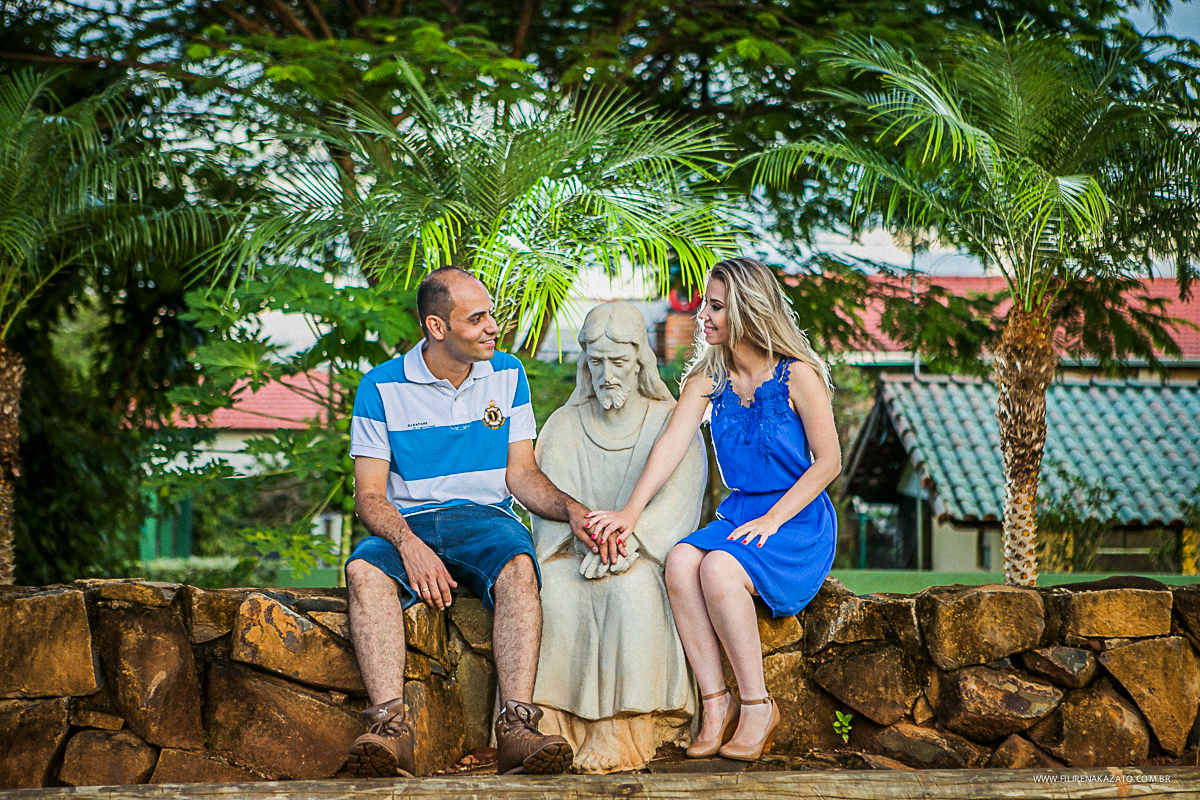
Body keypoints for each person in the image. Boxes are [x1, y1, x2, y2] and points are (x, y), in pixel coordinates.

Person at [343, 266, 595, 777]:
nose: (492, 327)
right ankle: (392, 732)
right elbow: (368, 498)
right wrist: (410, 545)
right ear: (437, 328)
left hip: (485, 522)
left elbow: (521, 475)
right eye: (476, 318)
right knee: (362, 572)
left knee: (519, 567)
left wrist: (571, 509)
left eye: (491, 314)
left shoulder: (508, 374)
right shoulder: (380, 387)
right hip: (408, 522)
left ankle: (517, 729)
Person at [588, 257, 840, 763]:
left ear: (748, 310)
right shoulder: (707, 378)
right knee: (682, 561)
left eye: (716, 306)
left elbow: (829, 461)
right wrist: (630, 513)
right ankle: (715, 701)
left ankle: (757, 704)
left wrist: (773, 519)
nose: (703, 314)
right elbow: (671, 445)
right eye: (706, 303)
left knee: (720, 569)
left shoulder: (798, 376)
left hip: (796, 519)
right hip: (740, 512)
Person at [528, 302, 707, 773]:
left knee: (629, 593)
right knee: (555, 592)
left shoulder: (670, 421)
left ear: (640, 360)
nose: (607, 374)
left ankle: (622, 731)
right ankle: (547, 726)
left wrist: (629, 546)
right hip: (576, 554)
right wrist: (588, 540)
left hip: (644, 557)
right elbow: (549, 501)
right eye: (596, 362)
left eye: (619, 362)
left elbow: (680, 500)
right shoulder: (564, 426)